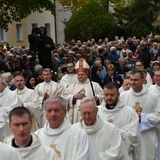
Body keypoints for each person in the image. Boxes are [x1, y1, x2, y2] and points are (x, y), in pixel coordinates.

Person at [120, 69, 160, 160]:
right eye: (131, 79)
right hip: (130, 136)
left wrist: (143, 117)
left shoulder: (153, 96)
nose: (133, 82)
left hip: (147, 135)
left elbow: (158, 115)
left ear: (143, 80)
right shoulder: (123, 96)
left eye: (136, 80)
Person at [98, 82, 141, 159]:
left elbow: (134, 136)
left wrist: (113, 133)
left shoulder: (129, 112)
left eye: (112, 95)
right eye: (106, 95)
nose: (109, 97)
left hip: (123, 155)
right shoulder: (97, 112)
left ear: (118, 95)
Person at [63, 58, 103, 123]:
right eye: (79, 75)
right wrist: (73, 97)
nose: (80, 76)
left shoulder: (94, 85)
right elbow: (64, 98)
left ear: (86, 75)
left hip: (89, 113)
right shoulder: (71, 86)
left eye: (82, 74)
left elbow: (103, 95)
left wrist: (97, 98)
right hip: (76, 115)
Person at [0, 76, 21, 141]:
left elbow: (16, 109)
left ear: (3, 84)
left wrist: (1, 111)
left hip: (8, 126)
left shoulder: (12, 95)